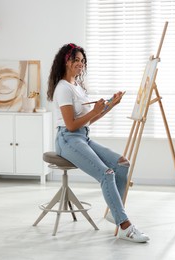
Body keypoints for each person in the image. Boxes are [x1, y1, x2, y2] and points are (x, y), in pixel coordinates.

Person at [47, 43, 149, 243]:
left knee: (121, 164)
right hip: (67, 139)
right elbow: (70, 124)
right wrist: (95, 111)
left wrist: (110, 106)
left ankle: (114, 213)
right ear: (66, 61)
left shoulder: (77, 87)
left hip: (81, 136)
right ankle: (125, 226)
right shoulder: (63, 88)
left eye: (82, 61)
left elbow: (88, 121)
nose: (80, 64)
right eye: (76, 60)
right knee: (107, 174)